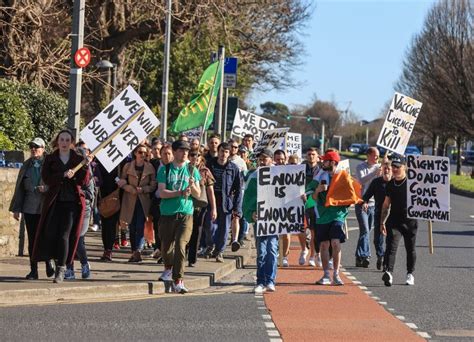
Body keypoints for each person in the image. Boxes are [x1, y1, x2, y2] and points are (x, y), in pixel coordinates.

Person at [32, 129, 89, 283]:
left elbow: (83, 182)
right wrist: (62, 175)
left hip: (71, 203)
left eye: (67, 140)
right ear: (57, 141)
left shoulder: (78, 159)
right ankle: (48, 258)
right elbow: (46, 178)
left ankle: (61, 269)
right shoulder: (50, 159)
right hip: (54, 201)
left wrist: (85, 167)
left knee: (65, 235)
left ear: (71, 142)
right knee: (49, 232)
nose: (64, 143)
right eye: (61, 139)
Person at [157, 140, 201, 293]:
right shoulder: (165, 170)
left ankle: (178, 280)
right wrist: (179, 193)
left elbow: (198, 194)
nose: (185, 154)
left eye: (187, 151)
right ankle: (168, 268)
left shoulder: (192, 169)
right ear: (174, 152)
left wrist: (193, 184)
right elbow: (161, 192)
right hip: (167, 213)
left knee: (181, 245)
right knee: (166, 247)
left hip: (186, 213)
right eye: (181, 151)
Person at [9, 137, 55, 280]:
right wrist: (16, 209)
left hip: (45, 206)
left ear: (43, 149)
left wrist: (47, 188)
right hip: (29, 206)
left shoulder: (49, 163)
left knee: (45, 236)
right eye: (32, 147)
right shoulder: (26, 165)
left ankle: (49, 262)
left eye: (36, 147)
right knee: (33, 239)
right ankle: (33, 270)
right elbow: (19, 188)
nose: (34, 149)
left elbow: (56, 183)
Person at [312, 150, 357, 286]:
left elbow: (352, 197)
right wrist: (318, 190)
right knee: (324, 244)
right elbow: (312, 197)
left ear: (332, 162)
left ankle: (336, 274)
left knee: (336, 242)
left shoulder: (344, 176)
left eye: (325, 161)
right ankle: (326, 274)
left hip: (338, 215)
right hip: (322, 215)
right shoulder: (319, 175)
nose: (322, 162)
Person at [243, 149, 278, 293]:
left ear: (271, 159)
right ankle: (260, 281)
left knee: (272, 249)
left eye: (265, 159)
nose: (262, 162)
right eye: (260, 159)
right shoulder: (254, 176)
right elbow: (248, 198)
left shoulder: (281, 175)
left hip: (276, 219)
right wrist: (251, 213)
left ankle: (270, 280)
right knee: (262, 251)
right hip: (260, 220)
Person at [380, 156, 418, 286]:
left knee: (410, 248)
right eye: (393, 167)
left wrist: (430, 212)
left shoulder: (413, 183)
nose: (395, 169)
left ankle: (410, 274)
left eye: (398, 167)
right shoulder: (390, 184)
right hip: (394, 221)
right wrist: (382, 222)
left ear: (405, 167)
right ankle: (389, 273)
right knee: (391, 246)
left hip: (410, 221)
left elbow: (425, 200)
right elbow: (386, 205)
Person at [119, 144, 157, 262]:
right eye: (140, 152)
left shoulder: (149, 167)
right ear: (135, 153)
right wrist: (128, 187)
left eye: (145, 153)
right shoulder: (127, 166)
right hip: (130, 198)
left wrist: (144, 189)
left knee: (140, 225)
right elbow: (122, 180)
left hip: (143, 199)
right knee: (131, 225)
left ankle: (138, 251)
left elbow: (153, 184)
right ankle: (133, 251)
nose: (142, 155)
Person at [205, 142, 243, 262]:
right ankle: (210, 244)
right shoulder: (210, 164)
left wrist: (237, 207)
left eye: (226, 152)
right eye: (222, 151)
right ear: (218, 151)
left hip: (226, 201)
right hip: (211, 199)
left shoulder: (233, 168)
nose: (223, 154)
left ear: (229, 153)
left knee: (224, 228)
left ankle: (219, 251)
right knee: (209, 226)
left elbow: (238, 189)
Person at [64, 142, 95, 280]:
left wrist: (77, 191)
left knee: (78, 238)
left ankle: (84, 263)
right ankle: (69, 268)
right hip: (70, 210)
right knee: (69, 238)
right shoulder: (69, 172)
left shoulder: (87, 174)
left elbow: (90, 195)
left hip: (84, 210)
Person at [187, 148, 217, 267]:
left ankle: (192, 258)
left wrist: (213, 208)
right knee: (184, 231)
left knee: (196, 231)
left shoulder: (205, 171)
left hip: (199, 207)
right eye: (192, 155)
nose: (195, 157)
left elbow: (210, 191)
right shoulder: (183, 169)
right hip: (185, 204)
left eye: (198, 155)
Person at [362, 158, 392, 270]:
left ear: (392, 171)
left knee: (391, 240)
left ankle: (387, 262)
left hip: (393, 215)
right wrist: (364, 202)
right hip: (379, 214)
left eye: (389, 169)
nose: (387, 171)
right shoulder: (376, 182)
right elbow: (367, 195)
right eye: (385, 169)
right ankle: (381, 256)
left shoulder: (395, 183)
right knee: (377, 240)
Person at [354, 147, 381, 268]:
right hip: (361, 203)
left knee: (366, 232)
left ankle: (358, 257)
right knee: (365, 229)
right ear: (368, 155)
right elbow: (362, 180)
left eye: (378, 156)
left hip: (373, 204)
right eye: (375, 155)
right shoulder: (360, 167)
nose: (377, 158)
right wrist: (375, 173)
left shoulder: (380, 167)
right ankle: (366, 255)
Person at [300, 147, 320, 266]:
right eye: (309, 154)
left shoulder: (321, 170)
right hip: (301, 202)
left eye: (313, 154)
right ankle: (304, 249)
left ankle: (313, 255)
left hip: (315, 203)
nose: (311, 156)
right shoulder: (301, 168)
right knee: (300, 229)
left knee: (314, 231)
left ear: (317, 156)